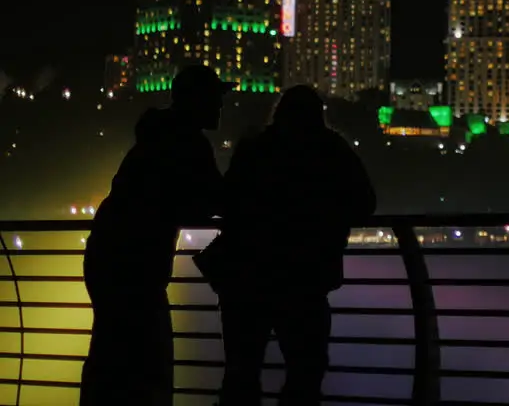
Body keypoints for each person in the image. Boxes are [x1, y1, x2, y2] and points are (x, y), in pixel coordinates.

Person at [80, 64, 232, 406]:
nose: (220, 107)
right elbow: (216, 199)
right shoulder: (188, 142)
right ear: (198, 101)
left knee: (110, 353)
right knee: (149, 359)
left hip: (108, 257)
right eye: (216, 99)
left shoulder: (157, 138)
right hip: (136, 268)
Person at [217, 85, 376, 406]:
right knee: (306, 370)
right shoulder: (331, 149)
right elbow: (365, 202)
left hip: (247, 276)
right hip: (306, 278)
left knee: (242, 370)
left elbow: (227, 201)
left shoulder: (254, 147)